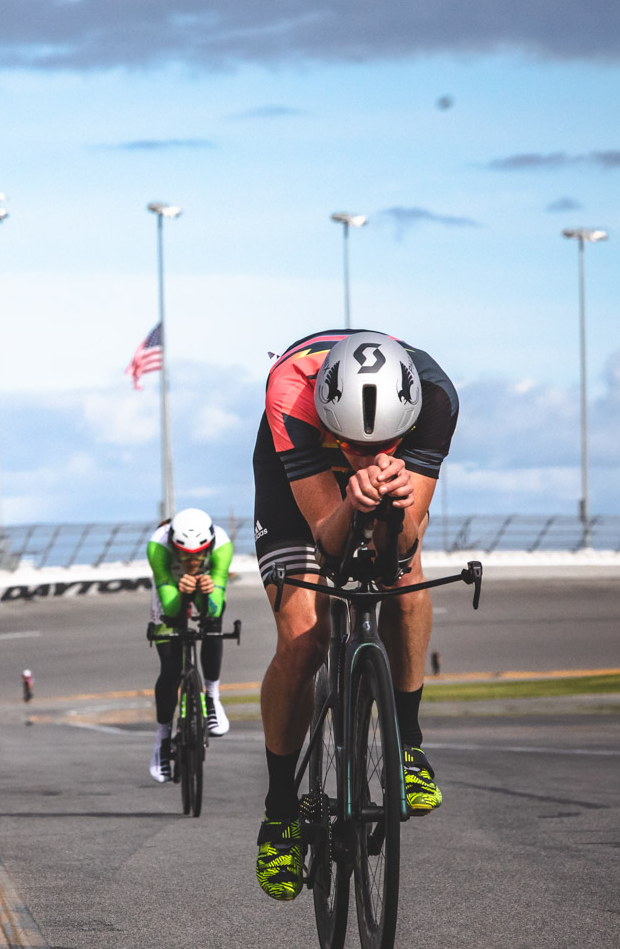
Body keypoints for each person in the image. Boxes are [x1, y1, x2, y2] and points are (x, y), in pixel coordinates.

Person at [250, 330, 458, 901]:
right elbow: (326, 540)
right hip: (303, 477)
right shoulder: (291, 395)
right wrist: (352, 501)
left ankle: (408, 745)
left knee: (407, 583)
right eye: (358, 446)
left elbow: (405, 545)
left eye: (387, 445)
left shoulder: (436, 400)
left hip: (365, 456)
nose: (374, 458)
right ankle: (279, 814)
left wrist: (392, 505)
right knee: (302, 638)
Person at [145, 507, 235, 782]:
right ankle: (161, 740)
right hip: (170, 586)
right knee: (171, 668)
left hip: (206, 584)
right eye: (184, 553)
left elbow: (215, 607)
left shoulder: (222, 546)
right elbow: (170, 608)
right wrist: (182, 591)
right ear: (174, 546)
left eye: (197, 554)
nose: (191, 560)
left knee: (212, 625)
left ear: (208, 546)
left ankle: (211, 696)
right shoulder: (157, 547)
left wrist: (207, 594)